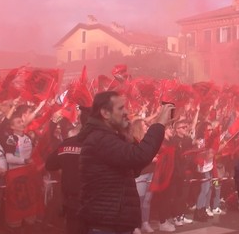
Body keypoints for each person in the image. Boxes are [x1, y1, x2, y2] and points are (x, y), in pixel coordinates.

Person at [78, 91, 173, 234]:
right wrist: (159, 124)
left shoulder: (107, 137)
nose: (126, 112)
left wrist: (126, 134)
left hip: (112, 221)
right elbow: (139, 156)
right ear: (105, 113)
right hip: (106, 223)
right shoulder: (100, 139)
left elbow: (133, 167)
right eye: (121, 108)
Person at [45, 106, 91, 234]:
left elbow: (50, 164)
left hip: (72, 201)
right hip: (93, 202)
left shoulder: (66, 144)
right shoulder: (102, 144)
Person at [128, 118, 155, 234]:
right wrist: (150, 158)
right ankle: (135, 225)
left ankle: (145, 223)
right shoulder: (132, 141)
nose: (147, 127)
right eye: (144, 125)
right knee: (138, 201)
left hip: (151, 172)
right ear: (138, 127)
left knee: (147, 201)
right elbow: (135, 158)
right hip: (141, 175)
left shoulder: (147, 141)